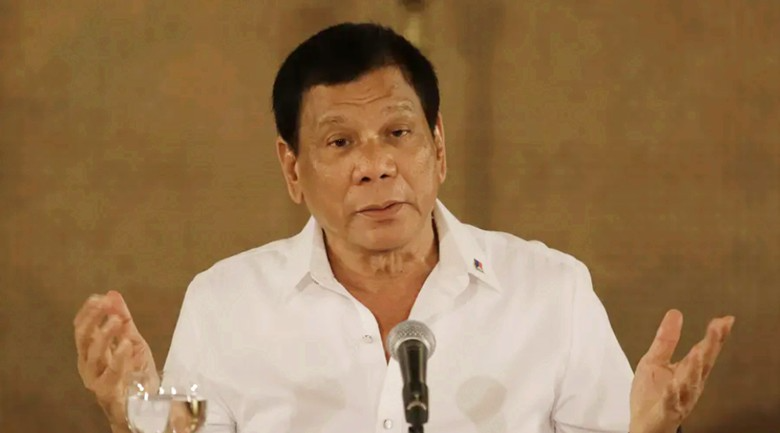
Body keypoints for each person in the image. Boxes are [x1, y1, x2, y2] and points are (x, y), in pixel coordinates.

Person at [74, 23, 734, 433]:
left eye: (398, 132)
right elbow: (185, 428)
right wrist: (132, 411)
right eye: (340, 142)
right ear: (292, 168)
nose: (377, 165)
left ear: (438, 147)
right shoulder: (225, 302)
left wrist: (652, 431)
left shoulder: (551, 291)